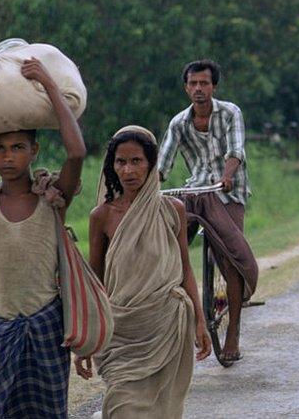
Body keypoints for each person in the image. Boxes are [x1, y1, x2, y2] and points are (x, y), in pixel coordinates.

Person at [0, 58, 85, 417]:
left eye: (18, 147)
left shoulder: (52, 197)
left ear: (33, 151)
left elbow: (77, 152)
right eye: (0, 149)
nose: (8, 157)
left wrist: (49, 84)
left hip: (45, 324)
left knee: (46, 411)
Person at [77, 127, 212, 417]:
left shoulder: (172, 209)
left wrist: (200, 321)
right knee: (121, 408)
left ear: (151, 164)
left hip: (166, 326)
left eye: (136, 161)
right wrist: (87, 339)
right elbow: (95, 280)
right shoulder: (101, 216)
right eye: (121, 162)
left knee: (163, 410)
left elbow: (184, 269)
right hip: (121, 333)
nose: (128, 170)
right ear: (111, 166)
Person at [158, 59, 258, 362]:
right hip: (196, 192)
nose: (199, 89)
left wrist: (227, 175)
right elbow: (163, 163)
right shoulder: (179, 123)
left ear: (213, 86)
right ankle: (167, 320)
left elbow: (236, 151)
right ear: (186, 87)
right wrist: (150, 185)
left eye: (204, 83)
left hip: (228, 193)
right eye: (193, 83)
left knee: (230, 260)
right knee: (169, 250)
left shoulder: (230, 113)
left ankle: (233, 333)